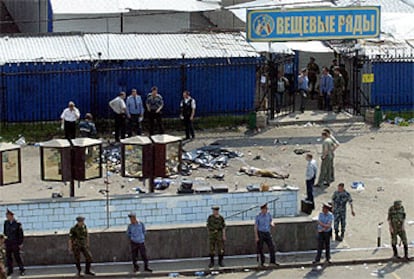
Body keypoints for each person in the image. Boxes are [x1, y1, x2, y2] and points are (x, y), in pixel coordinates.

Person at [3, 209, 25, 276]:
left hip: (15, 243)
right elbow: (5, 233)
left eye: (8, 215)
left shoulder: (18, 224)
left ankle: (22, 269)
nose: (7, 217)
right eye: (6, 216)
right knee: (8, 257)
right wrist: (4, 242)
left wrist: (20, 243)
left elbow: (20, 234)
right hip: (8, 243)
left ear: (11, 216)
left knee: (17, 257)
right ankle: (10, 270)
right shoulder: (6, 223)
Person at [255, 203, 277, 267]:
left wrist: (272, 223)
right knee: (260, 248)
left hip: (267, 232)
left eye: (266, 209)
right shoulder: (258, 216)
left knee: (272, 246)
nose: (265, 211)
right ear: (261, 210)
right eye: (264, 209)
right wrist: (256, 236)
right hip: (260, 233)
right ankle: (262, 262)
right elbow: (256, 226)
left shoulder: (269, 215)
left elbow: (271, 220)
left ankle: (272, 261)